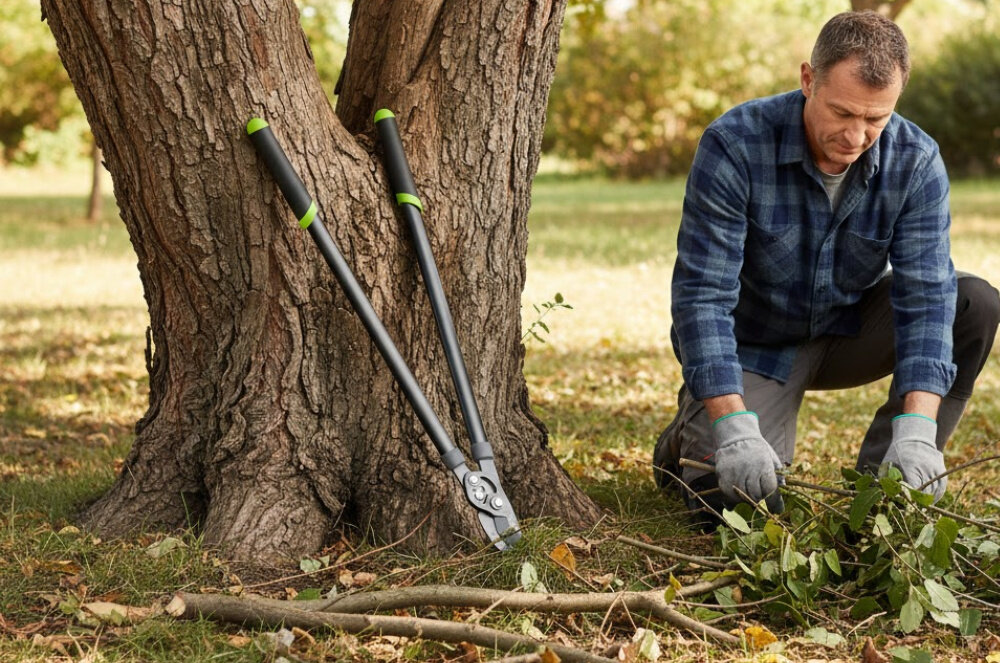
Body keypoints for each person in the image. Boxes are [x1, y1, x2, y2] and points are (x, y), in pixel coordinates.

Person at [653, 10, 1000, 526]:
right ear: (807, 79)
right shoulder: (735, 145)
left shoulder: (916, 160)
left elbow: (927, 298)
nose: (857, 136)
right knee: (736, 507)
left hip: (848, 329)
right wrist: (734, 428)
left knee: (974, 304)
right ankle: (687, 440)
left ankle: (888, 482)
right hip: (757, 343)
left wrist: (918, 430)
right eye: (842, 112)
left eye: (875, 119)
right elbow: (702, 298)